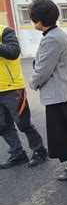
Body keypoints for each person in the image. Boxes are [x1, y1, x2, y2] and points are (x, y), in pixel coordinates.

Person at [29, 0, 67, 181]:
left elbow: (42, 70)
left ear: (39, 20)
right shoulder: (58, 34)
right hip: (66, 93)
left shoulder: (51, 39)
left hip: (59, 95)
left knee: (65, 134)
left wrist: (33, 83)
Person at [0, 25, 47, 169]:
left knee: (23, 123)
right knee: (2, 125)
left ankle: (39, 150)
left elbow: (13, 52)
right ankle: (17, 153)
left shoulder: (5, 31)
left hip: (12, 87)